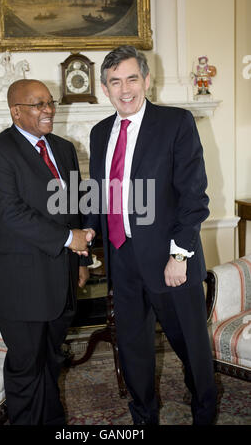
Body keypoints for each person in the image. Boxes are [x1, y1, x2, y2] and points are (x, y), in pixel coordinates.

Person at [85, 46, 217, 425]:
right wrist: (89, 233)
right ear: (104, 88)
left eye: (131, 79)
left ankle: (204, 415)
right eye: (114, 82)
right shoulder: (99, 133)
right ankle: (143, 419)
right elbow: (101, 191)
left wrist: (180, 256)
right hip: (121, 259)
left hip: (170, 260)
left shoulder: (176, 123)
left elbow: (194, 196)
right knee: (133, 349)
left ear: (146, 80)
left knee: (190, 347)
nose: (124, 89)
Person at [0, 79, 93, 425]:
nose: (48, 110)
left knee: (52, 361)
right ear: (16, 111)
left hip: (62, 279)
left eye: (50, 103)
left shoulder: (65, 148)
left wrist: (79, 261)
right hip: (19, 284)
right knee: (27, 367)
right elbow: (10, 214)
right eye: (38, 104)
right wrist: (67, 239)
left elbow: (73, 206)